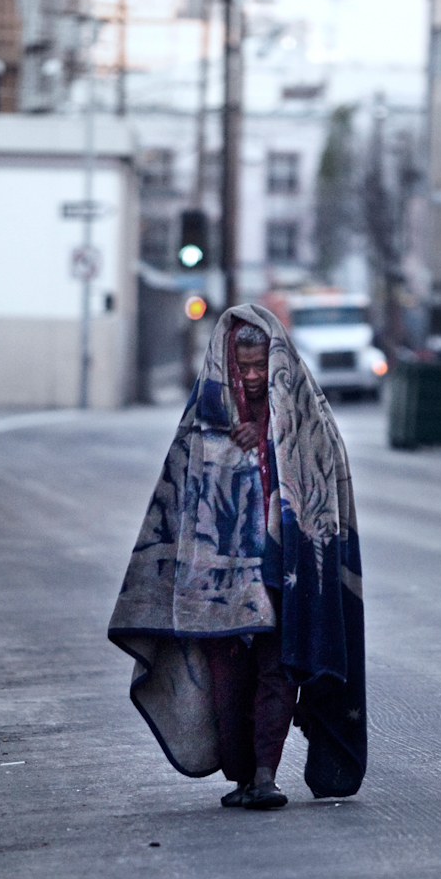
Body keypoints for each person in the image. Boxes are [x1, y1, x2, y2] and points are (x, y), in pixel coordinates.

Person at [108, 304, 367, 810]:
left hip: (283, 574)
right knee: (228, 682)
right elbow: (181, 497)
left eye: (259, 368)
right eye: (242, 367)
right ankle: (244, 775)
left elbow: (322, 480)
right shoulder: (204, 420)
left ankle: (266, 775)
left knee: (276, 672)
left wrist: (269, 437)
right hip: (217, 583)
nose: (250, 378)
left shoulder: (306, 414)